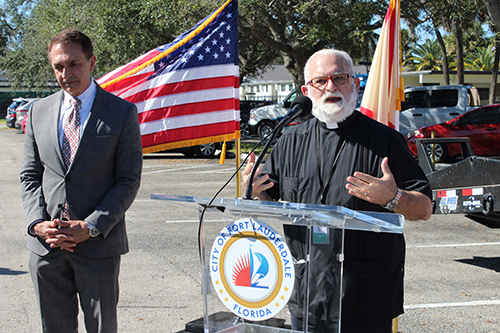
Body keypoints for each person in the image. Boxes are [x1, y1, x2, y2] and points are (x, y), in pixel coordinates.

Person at [243, 49, 433, 333]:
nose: (330, 87)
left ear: (355, 84)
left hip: (366, 297)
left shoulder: (385, 141)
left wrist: (393, 198)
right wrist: (256, 189)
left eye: (340, 78)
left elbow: (425, 207)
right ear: (307, 90)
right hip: (306, 293)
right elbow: (270, 194)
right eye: (321, 81)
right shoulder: (289, 140)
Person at [20, 29, 143, 333]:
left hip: (97, 247)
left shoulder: (121, 113)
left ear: (92, 61)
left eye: (74, 64)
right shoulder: (38, 111)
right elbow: (30, 177)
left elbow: (128, 180)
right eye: (58, 67)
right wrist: (37, 224)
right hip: (47, 248)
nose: (66, 73)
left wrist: (90, 226)